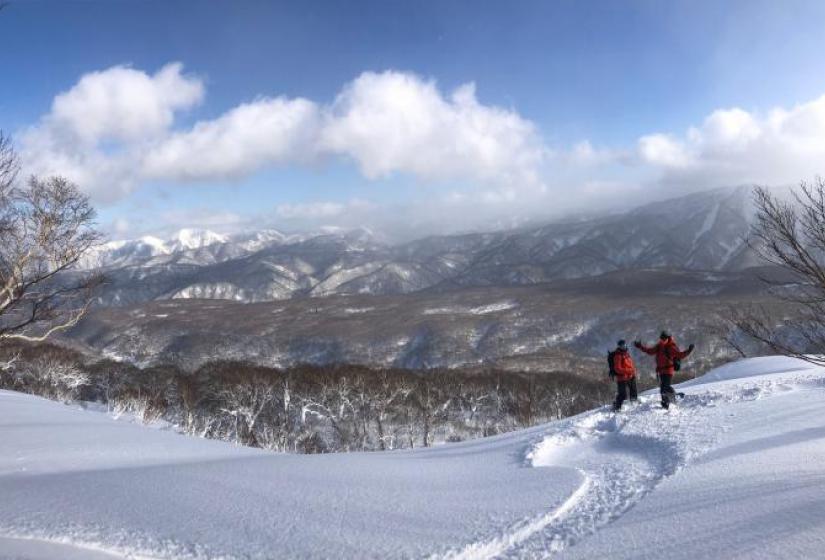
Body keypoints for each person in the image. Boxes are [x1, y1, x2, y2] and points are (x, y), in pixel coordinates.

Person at [635, 331, 694, 409]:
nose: (662, 340)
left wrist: (689, 351)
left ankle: (675, 396)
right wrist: (640, 346)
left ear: (668, 338)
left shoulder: (670, 347)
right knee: (662, 389)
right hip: (661, 371)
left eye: (664, 339)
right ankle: (665, 404)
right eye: (661, 339)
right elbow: (650, 351)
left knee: (665, 387)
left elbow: (680, 355)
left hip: (668, 370)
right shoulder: (659, 346)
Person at [609, 339, 638, 411]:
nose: (623, 346)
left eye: (624, 345)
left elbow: (630, 364)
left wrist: (633, 371)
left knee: (633, 390)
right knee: (622, 394)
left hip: (630, 376)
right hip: (622, 378)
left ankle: (634, 402)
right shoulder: (618, 356)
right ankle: (617, 407)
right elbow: (617, 369)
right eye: (622, 345)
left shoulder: (626, 353)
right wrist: (629, 371)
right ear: (619, 346)